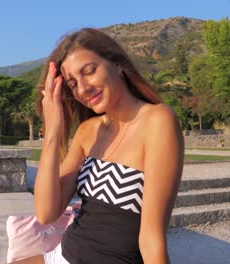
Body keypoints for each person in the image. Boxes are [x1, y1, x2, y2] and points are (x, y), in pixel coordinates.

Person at [14, 28, 184, 264]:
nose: (83, 89)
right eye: (73, 83)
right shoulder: (88, 131)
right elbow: (46, 212)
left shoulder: (157, 121)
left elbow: (151, 238)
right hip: (63, 256)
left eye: (90, 71)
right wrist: (53, 132)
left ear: (117, 63)